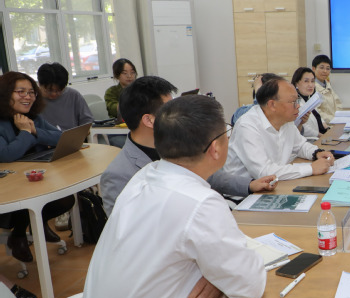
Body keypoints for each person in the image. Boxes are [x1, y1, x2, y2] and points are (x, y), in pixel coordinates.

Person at [81, 95, 289, 298]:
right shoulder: (200, 202)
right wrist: (219, 274)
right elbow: (249, 287)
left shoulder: (145, 176)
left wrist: (214, 274)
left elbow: (170, 249)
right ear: (215, 148)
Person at [100, 76, 277, 216]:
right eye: (169, 109)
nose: (176, 115)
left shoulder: (175, 142)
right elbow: (126, 233)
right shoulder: (118, 174)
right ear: (149, 120)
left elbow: (209, 176)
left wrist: (249, 185)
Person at [0, 72, 74, 262]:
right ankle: (18, 235)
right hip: (8, 188)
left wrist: (34, 130)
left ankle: (38, 224)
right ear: (5, 93)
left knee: (66, 199)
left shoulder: (34, 117)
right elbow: (6, 155)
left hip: (34, 178)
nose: (28, 96)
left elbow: (60, 138)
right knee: (30, 201)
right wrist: (26, 132)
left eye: (31, 92)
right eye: (21, 92)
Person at [223, 76, 334, 181]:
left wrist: (317, 153)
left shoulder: (286, 120)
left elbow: (300, 146)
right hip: (247, 191)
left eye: (298, 100)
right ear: (272, 105)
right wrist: (311, 168)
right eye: (293, 102)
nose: (298, 106)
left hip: (276, 183)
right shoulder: (247, 126)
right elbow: (264, 172)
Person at [36, 62, 93, 130]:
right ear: (39, 84)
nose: (54, 94)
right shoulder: (32, 99)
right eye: (49, 90)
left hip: (72, 136)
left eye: (59, 90)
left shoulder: (73, 95)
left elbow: (87, 121)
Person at [291, 66, 328, 140]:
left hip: (320, 138)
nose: (310, 85)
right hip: (309, 141)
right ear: (296, 83)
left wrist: (328, 130)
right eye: (306, 81)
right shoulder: (295, 103)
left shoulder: (310, 99)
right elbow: (303, 127)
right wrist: (321, 136)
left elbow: (319, 118)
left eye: (312, 81)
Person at [311, 54, 342, 123]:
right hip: (323, 125)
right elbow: (316, 111)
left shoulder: (328, 85)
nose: (325, 71)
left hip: (334, 123)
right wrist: (334, 119)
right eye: (321, 68)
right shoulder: (311, 87)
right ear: (313, 69)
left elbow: (338, 103)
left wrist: (340, 117)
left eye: (328, 68)